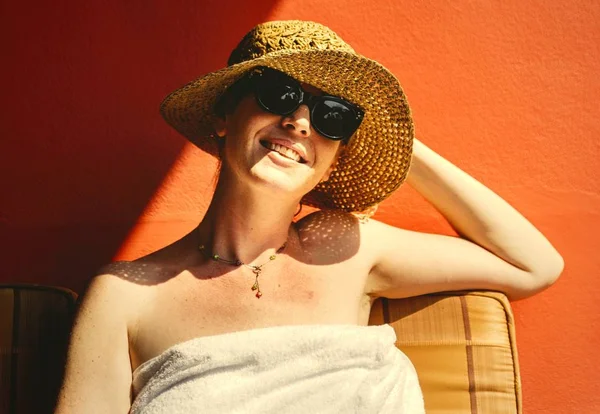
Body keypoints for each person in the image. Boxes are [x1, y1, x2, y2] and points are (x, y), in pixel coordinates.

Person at [55, 20, 564, 413]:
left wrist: (399, 148)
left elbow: (534, 265)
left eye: (331, 117)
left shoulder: (346, 246)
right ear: (222, 115)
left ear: (336, 156)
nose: (300, 121)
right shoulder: (124, 296)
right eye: (281, 94)